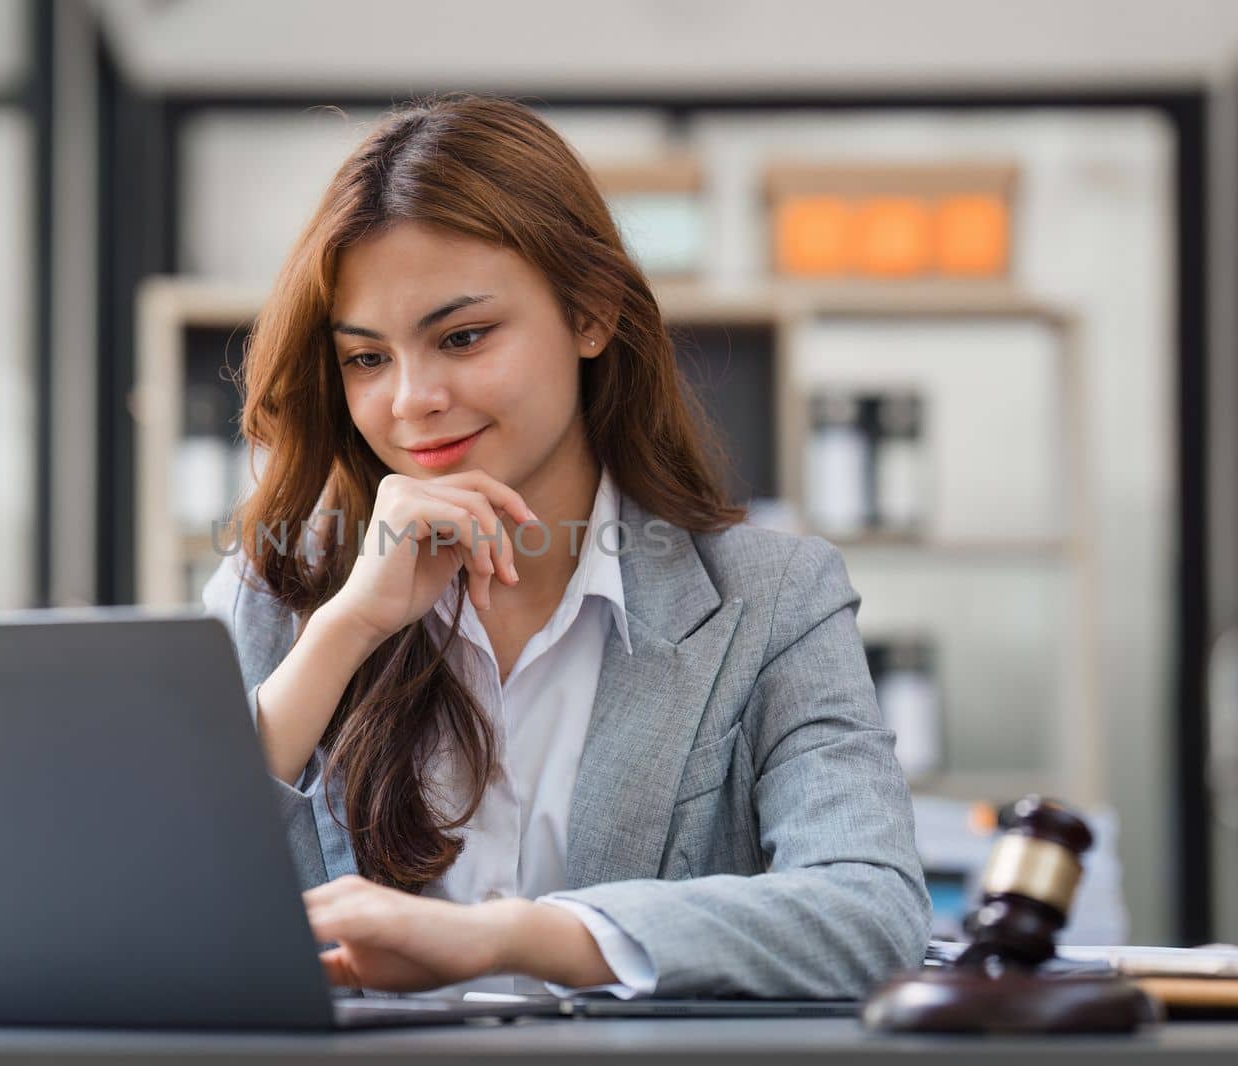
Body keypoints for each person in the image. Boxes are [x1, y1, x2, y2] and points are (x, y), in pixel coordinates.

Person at [201, 91, 930, 1000]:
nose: (411, 399)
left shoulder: (775, 598)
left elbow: (870, 914)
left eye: (462, 336)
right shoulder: (276, 594)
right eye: (366, 358)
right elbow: (149, 897)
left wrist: (509, 937)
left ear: (591, 314)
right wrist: (344, 630)